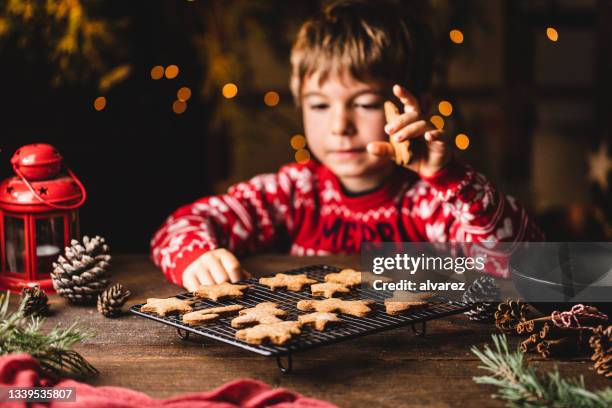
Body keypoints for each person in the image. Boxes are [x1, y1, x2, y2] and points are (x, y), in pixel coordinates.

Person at [151, 0, 543, 290]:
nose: (339, 125)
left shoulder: (431, 200)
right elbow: (181, 225)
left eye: (366, 103)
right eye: (319, 105)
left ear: (416, 108)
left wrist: (450, 177)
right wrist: (198, 258)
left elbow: (525, 262)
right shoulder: (294, 193)